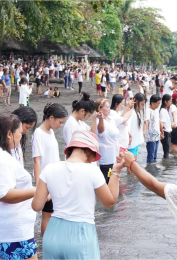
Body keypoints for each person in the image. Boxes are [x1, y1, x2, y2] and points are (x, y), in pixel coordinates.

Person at [32, 130, 124, 259]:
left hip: (52, 235)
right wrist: (116, 171)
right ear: (88, 151)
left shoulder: (49, 169)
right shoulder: (92, 171)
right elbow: (109, 202)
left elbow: (36, 206)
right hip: (81, 236)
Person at [0, 114, 37, 260]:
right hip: (15, 232)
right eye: (20, 133)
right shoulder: (3, 159)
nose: (21, 136)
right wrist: (36, 191)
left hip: (13, 230)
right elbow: (4, 194)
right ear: (9, 134)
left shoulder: (6, 156)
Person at [32, 103, 68, 235]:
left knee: (56, 213)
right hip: (46, 181)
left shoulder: (51, 132)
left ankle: (55, 239)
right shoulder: (38, 133)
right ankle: (47, 244)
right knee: (47, 215)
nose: (61, 125)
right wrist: (39, 188)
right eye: (60, 122)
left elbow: (55, 156)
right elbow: (37, 161)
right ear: (51, 118)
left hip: (57, 178)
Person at [94, 98, 119, 183]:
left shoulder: (110, 119)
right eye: (107, 107)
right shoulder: (98, 121)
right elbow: (101, 131)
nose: (109, 109)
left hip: (114, 155)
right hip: (106, 158)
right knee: (106, 181)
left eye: (109, 107)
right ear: (100, 109)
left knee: (114, 180)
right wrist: (101, 118)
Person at [143, 94, 162, 164]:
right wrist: (144, 132)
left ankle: (153, 171)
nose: (158, 105)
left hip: (157, 136)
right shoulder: (148, 110)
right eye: (158, 103)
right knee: (150, 156)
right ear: (152, 103)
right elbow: (146, 121)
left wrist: (161, 131)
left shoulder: (156, 110)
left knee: (155, 156)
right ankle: (149, 170)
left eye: (159, 103)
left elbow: (158, 121)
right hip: (150, 137)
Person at [127, 93, 145, 159]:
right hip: (132, 143)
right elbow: (127, 127)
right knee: (131, 165)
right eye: (141, 104)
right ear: (136, 102)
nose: (142, 106)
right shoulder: (131, 112)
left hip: (136, 142)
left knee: (134, 163)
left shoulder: (137, 111)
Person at [159, 94, 173, 158]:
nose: (171, 102)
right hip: (166, 133)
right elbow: (161, 123)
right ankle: (167, 167)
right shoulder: (163, 111)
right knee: (166, 152)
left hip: (168, 132)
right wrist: (162, 133)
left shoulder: (165, 110)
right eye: (170, 101)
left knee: (167, 151)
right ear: (165, 101)